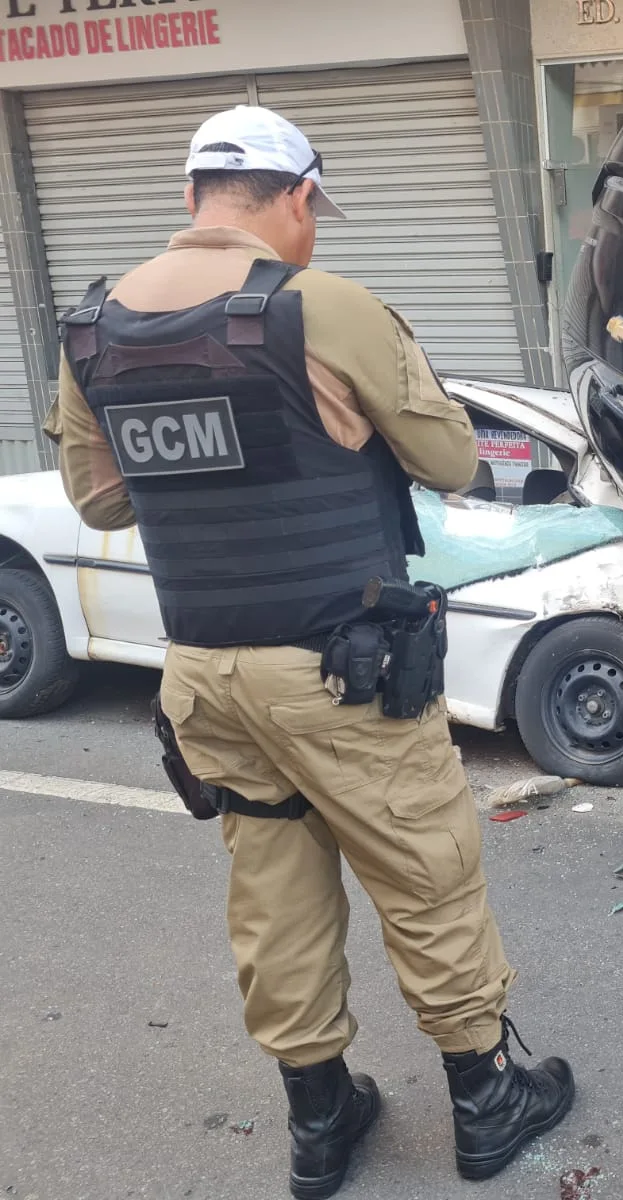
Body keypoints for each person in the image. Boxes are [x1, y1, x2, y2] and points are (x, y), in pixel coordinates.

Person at [45, 106, 574, 1198]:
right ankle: (485, 1100)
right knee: (424, 875)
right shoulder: (323, 309)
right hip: (346, 669)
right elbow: (450, 460)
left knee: (272, 890)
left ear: (195, 195)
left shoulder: (91, 328)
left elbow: (99, 500)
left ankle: (320, 1123)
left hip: (204, 675)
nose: (313, 231)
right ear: (292, 198)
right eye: (312, 212)